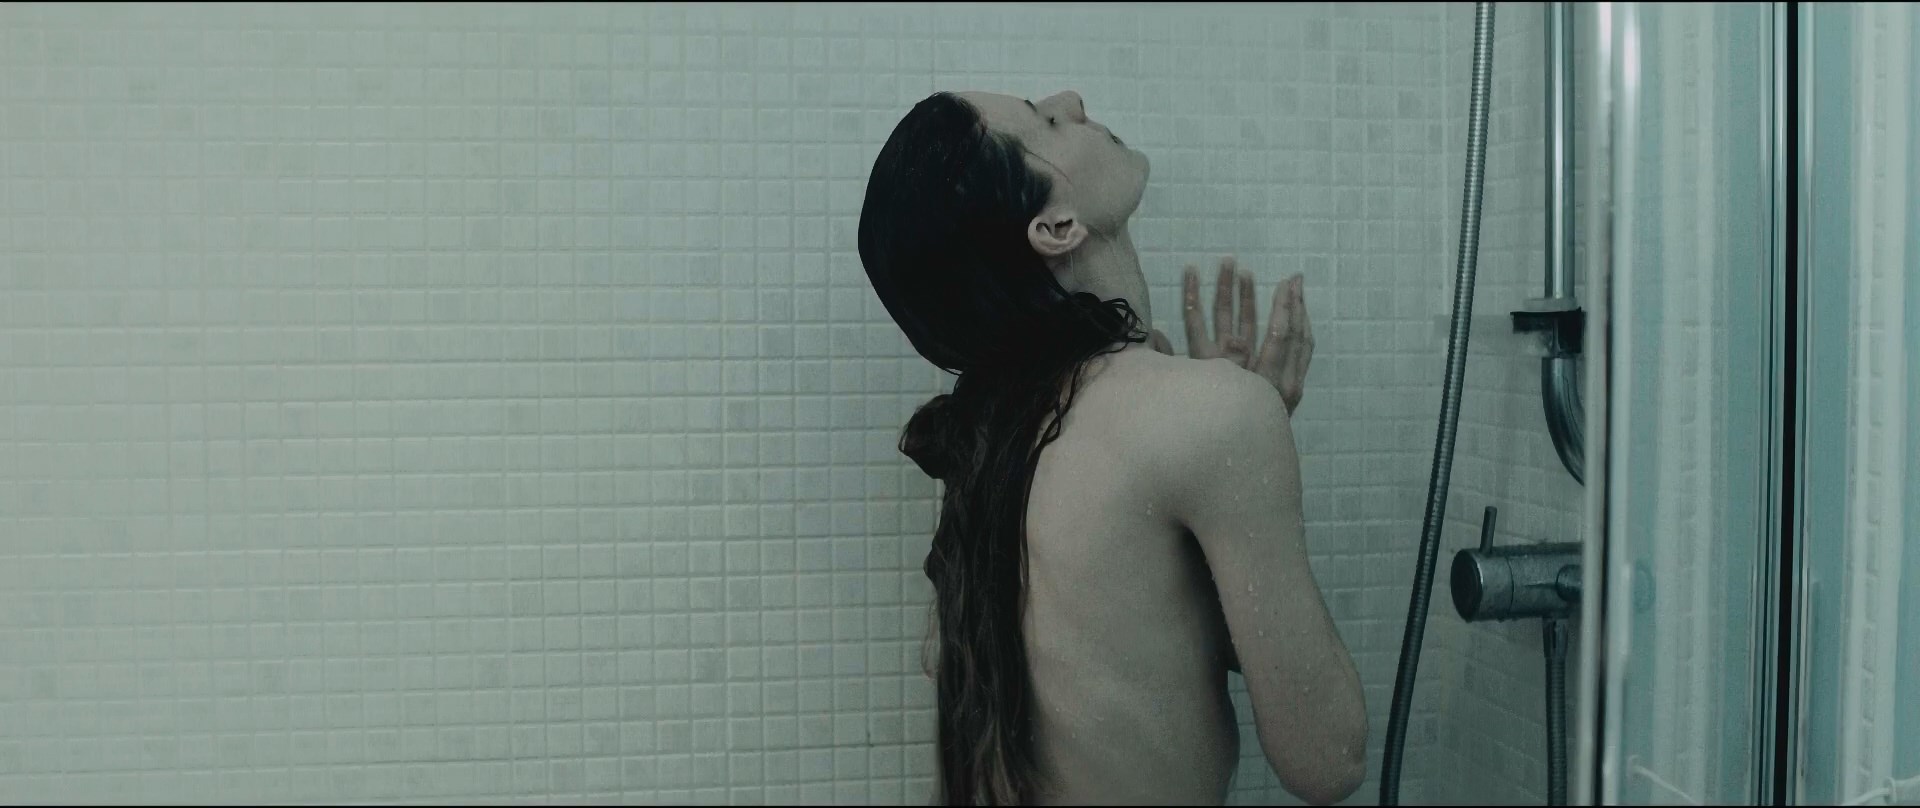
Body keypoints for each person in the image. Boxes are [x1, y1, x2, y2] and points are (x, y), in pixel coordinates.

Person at [858, 90, 1367, 806]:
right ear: (1056, 227)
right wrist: (1248, 432)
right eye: (1044, 120)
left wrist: (1230, 479)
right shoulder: (1209, 415)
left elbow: (1152, 648)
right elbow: (1328, 760)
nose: (1071, 99)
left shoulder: (1005, 436)